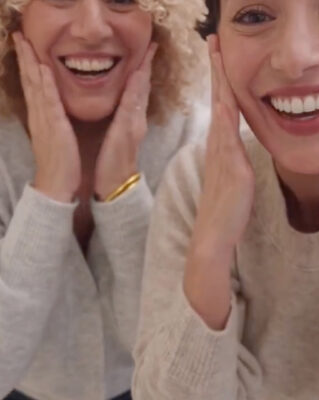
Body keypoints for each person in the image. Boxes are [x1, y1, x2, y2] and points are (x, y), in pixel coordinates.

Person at [133, 0, 319, 399]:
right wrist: (211, 249)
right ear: (218, 46)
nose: (295, 58)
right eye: (254, 17)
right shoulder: (197, 181)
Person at [0, 0, 209, 398]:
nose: (92, 28)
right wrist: (50, 192)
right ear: (13, 15)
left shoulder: (197, 133)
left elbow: (173, 364)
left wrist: (122, 189)